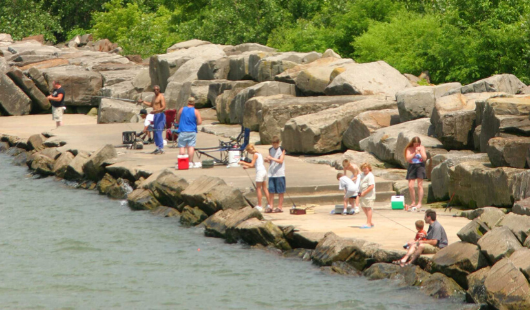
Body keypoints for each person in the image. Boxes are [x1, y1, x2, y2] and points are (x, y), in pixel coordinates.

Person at [239, 144, 271, 212]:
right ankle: (269, 204)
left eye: (248, 151)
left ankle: (259, 205)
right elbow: (256, 165)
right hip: (264, 171)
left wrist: (243, 162)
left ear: (250, 150)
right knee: (265, 188)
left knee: (258, 189)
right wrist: (247, 167)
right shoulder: (259, 154)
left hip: (260, 173)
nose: (249, 153)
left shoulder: (255, 155)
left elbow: (252, 164)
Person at [138, 85, 166, 154]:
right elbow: (151, 105)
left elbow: (164, 107)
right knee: (155, 132)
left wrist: (156, 111)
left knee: (158, 131)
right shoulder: (154, 97)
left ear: (159, 90)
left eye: (157, 89)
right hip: (155, 115)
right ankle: (157, 147)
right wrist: (143, 102)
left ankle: (161, 148)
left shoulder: (161, 97)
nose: (156, 91)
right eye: (154, 90)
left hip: (160, 115)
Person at [176, 97, 202, 167]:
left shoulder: (182, 109)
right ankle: (190, 162)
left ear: (188, 102)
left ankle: (182, 161)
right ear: (194, 103)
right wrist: (194, 123)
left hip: (183, 131)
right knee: (191, 147)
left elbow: (177, 119)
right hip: (192, 131)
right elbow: (199, 122)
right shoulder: (196, 111)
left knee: (182, 146)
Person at [404, 136, 427, 211]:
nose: (416, 146)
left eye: (418, 144)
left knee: (419, 185)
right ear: (412, 143)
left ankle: (419, 202)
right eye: (415, 144)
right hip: (412, 166)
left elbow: (424, 158)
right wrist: (414, 153)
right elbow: (407, 158)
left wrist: (420, 151)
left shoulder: (422, 147)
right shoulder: (409, 149)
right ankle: (413, 202)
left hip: (420, 166)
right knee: (411, 186)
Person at [265, 136, 286, 213]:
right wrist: (267, 159)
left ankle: (280, 207)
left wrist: (271, 158)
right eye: (273, 144)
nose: (274, 146)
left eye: (275, 144)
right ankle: (271, 206)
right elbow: (270, 160)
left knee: (280, 191)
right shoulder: (270, 149)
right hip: (272, 173)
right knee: (271, 190)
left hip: (279, 173)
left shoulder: (282, 149)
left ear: (278, 143)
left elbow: (280, 161)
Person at [358, 163, 376, 228]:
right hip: (362, 194)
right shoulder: (361, 175)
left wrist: (364, 192)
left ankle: (368, 223)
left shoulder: (370, 175)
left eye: (366, 168)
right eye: (363, 168)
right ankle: (370, 221)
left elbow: (371, 186)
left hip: (369, 195)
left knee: (368, 208)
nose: (365, 169)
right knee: (363, 207)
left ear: (369, 168)